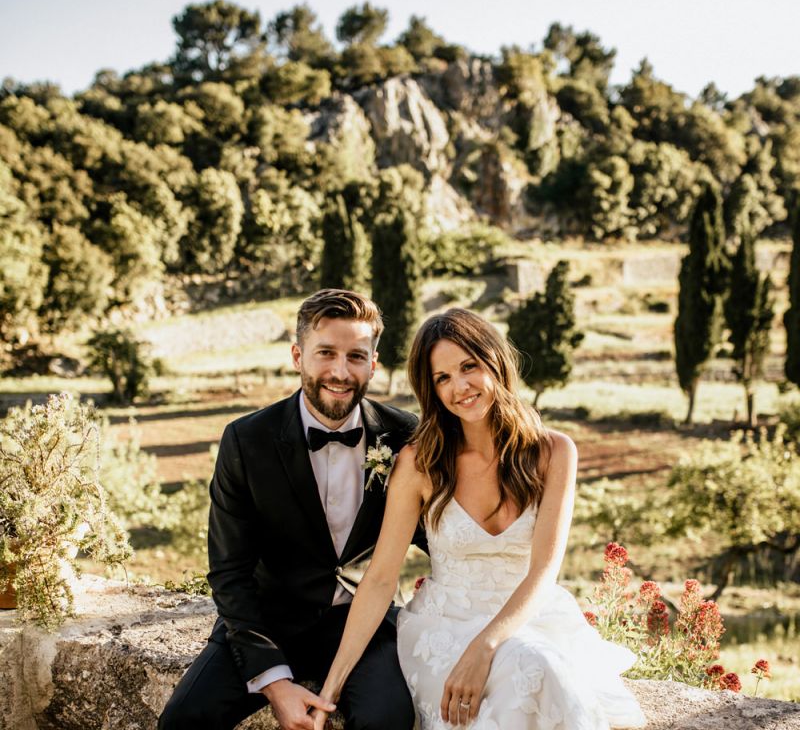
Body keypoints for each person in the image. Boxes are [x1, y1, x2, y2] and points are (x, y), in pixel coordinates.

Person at [313, 308, 646, 729]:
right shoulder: (421, 464)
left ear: (495, 361)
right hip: (443, 631)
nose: (460, 387)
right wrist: (330, 690)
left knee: (538, 666)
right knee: (533, 670)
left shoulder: (554, 453)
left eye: (469, 366)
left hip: (533, 621)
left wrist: (485, 646)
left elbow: (544, 570)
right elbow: (379, 581)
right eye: (443, 378)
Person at [159, 289, 421, 730]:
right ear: (298, 356)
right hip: (268, 620)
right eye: (325, 353)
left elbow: (440, 535)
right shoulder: (246, 441)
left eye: (356, 356)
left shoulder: (405, 436)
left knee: (387, 718)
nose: (340, 371)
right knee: (184, 719)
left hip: (365, 623)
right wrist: (275, 684)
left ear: (373, 364)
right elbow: (229, 573)